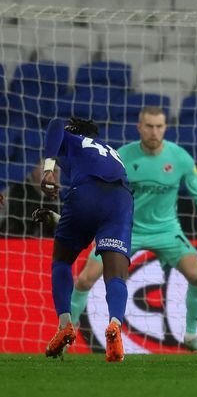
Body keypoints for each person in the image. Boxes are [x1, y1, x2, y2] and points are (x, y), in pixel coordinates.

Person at [67, 107, 197, 354]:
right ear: (139, 128)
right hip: (125, 229)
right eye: (149, 126)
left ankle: (191, 336)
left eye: (159, 126)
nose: (154, 132)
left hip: (167, 231)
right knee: (84, 279)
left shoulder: (180, 158)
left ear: (165, 128)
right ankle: (66, 331)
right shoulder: (122, 155)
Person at [34, 118, 133, 362]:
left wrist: (49, 168)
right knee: (116, 273)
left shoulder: (74, 138)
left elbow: (55, 124)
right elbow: (94, 220)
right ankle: (115, 324)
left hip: (86, 194)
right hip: (121, 200)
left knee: (62, 260)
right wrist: (59, 217)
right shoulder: (111, 152)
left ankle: (65, 325)